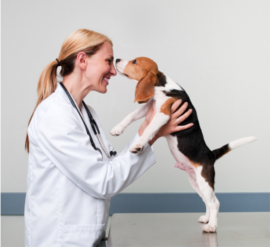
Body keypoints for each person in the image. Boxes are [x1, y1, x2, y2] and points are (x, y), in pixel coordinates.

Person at [24, 29, 193, 247]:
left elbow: (109, 165)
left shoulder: (87, 113)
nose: (114, 71)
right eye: (108, 61)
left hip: (86, 237)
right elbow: (103, 181)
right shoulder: (55, 116)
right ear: (83, 60)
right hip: (60, 240)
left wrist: (148, 127)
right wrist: (151, 134)